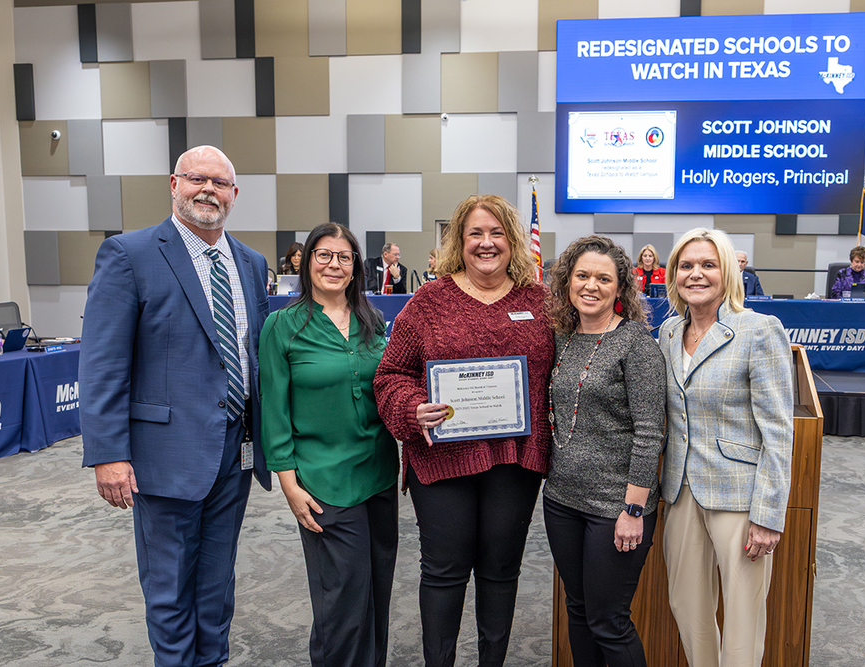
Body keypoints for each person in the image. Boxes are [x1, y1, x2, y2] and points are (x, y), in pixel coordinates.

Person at [79, 146, 273, 667]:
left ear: (235, 194)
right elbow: (102, 363)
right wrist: (107, 454)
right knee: (169, 589)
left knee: (216, 585)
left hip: (236, 453)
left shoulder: (252, 264)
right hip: (162, 455)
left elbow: (254, 356)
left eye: (220, 182)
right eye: (196, 179)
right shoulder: (129, 254)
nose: (207, 189)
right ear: (173, 183)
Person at [373, 194, 554, 667]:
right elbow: (391, 374)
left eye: (496, 233)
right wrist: (414, 409)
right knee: (443, 572)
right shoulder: (429, 301)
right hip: (444, 459)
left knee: (500, 571)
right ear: (460, 240)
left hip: (514, 460)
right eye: (475, 233)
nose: (486, 243)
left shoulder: (539, 300)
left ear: (513, 240)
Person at [260, 222, 399, 667]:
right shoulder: (282, 326)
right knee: (342, 602)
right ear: (306, 262)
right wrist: (288, 482)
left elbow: (390, 389)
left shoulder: (371, 320)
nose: (334, 265)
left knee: (377, 591)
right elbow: (274, 411)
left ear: (356, 266)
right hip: (322, 480)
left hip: (377, 474)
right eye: (324, 255)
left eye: (344, 256)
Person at [658, 228, 793, 667]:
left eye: (708, 265)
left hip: (739, 495)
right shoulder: (668, 331)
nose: (695, 274)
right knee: (687, 607)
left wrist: (768, 515)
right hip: (680, 493)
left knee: (741, 618)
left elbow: (777, 430)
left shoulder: (759, 330)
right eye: (686, 265)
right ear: (673, 273)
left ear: (729, 273)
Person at [543, 237, 666, 667]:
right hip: (561, 500)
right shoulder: (560, 338)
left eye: (603, 278)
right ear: (567, 282)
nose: (590, 285)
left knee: (609, 621)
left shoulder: (637, 344)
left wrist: (633, 510)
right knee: (577, 610)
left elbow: (651, 432)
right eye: (582, 276)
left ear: (620, 288)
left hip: (615, 506)